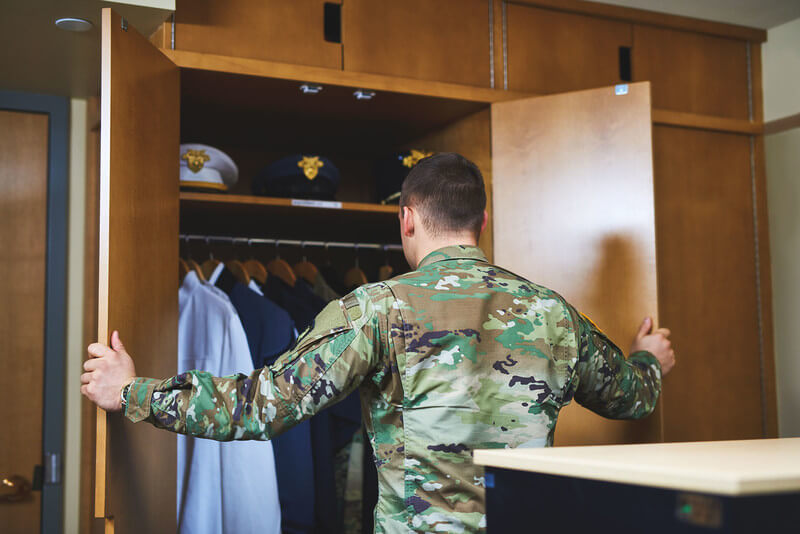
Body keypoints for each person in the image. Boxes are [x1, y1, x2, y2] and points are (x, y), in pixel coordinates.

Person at [82, 152, 675, 533]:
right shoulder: (552, 313)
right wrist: (650, 355)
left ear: (406, 218)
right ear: (482, 222)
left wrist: (131, 391)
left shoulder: (374, 310)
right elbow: (633, 397)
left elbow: (262, 407)